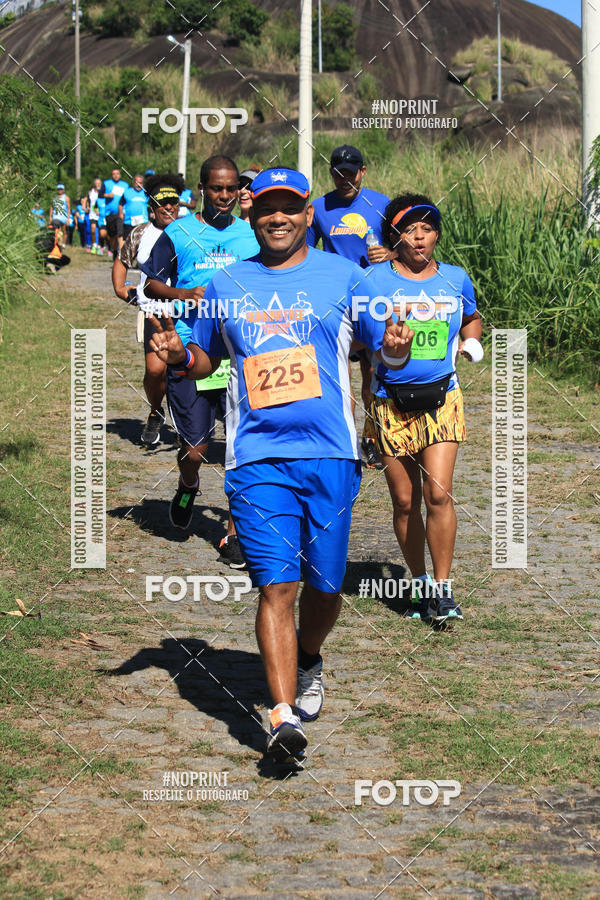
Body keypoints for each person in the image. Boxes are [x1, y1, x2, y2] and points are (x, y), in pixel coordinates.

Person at [147, 168, 414, 761]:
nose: (277, 218)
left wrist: (394, 349)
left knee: (323, 587)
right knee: (278, 586)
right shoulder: (228, 284)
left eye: (289, 208)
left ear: (306, 212)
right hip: (256, 459)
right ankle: (281, 716)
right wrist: (177, 353)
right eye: (266, 207)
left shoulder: (346, 277)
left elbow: (383, 349)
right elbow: (202, 356)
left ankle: (310, 656)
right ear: (252, 212)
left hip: (331, 456)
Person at [367, 194, 482, 624]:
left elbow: (471, 316)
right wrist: (385, 348)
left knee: (438, 493)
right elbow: (357, 340)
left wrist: (471, 342)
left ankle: (443, 589)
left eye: (428, 228)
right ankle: (417, 585)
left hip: (442, 398)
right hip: (390, 402)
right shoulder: (372, 281)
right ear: (393, 235)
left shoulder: (455, 278)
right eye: (409, 229)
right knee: (404, 500)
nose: (420, 237)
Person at [141, 155, 260, 567]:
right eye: (216, 189)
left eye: (231, 189)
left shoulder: (251, 235)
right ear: (202, 189)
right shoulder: (179, 232)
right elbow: (152, 282)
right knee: (195, 450)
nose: (225, 196)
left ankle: (233, 534)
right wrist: (184, 295)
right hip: (191, 350)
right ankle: (187, 484)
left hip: (242, 354)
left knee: (240, 450)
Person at [308, 145, 391, 468]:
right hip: (335, 301)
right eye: (339, 173)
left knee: (372, 373)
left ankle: (371, 438)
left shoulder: (381, 204)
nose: (345, 179)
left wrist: (390, 255)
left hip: (373, 299)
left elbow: (404, 248)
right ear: (331, 173)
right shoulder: (318, 208)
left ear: (363, 171)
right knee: (337, 375)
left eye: (351, 172)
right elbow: (305, 252)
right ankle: (341, 437)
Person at [112, 174, 183, 445]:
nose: (169, 208)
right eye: (162, 203)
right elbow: (122, 261)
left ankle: (184, 423)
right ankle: (155, 412)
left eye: (173, 203)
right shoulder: (140, 233)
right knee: (155, 371)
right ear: (151, 207)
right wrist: (121, 289)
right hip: (153, 312)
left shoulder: (188, 231)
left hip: (184, 311)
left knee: (182, 369)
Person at [103, 168, 129, 256]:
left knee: (120, 232)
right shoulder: (106, 183)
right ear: (111, 175)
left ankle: (120, 253)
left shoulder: (125, 185)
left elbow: (128, 198)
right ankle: (114, 250)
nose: (116, 175)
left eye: (117, 174)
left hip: (121, 213)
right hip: (109, 214)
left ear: (120, 175)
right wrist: (107, 195)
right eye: (114, 174)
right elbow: (99, 194)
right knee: (111, 235)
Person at [119, 174, 149, 239]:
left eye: (140, 183)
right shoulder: (127, 192)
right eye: (137, 183)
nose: (139, 185)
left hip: (143, 221)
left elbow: (151, 205)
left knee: (142, 240)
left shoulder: (146, 193)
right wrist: (120, 213)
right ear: (134, 182)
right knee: (128, 241)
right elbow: (120, 203)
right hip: (129, 221)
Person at [88, 177, 104, 253]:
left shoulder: (103, 193)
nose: (98, 185)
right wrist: (86, 207)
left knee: (102, 233)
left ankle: (100, 246)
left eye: (99, 183)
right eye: (96, 183)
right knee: (93, 229)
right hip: (92, 214)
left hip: (101, 215)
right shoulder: (91, 191)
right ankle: (94, 244)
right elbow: (88, 201)